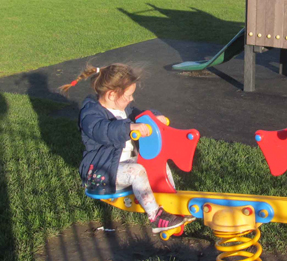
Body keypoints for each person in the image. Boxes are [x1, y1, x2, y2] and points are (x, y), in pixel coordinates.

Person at [60, 63, 192, 233]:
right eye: (129, 95)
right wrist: (129, 128)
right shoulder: (91, 115)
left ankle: (169, 200)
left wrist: (154, 117)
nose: (131, 99)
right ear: (111, 94)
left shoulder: (123, 108)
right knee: (136, 171)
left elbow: (140, 115)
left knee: (157, 163)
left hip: (122, 164)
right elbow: (104, 130)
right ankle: (156, 217)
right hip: (100, 171)